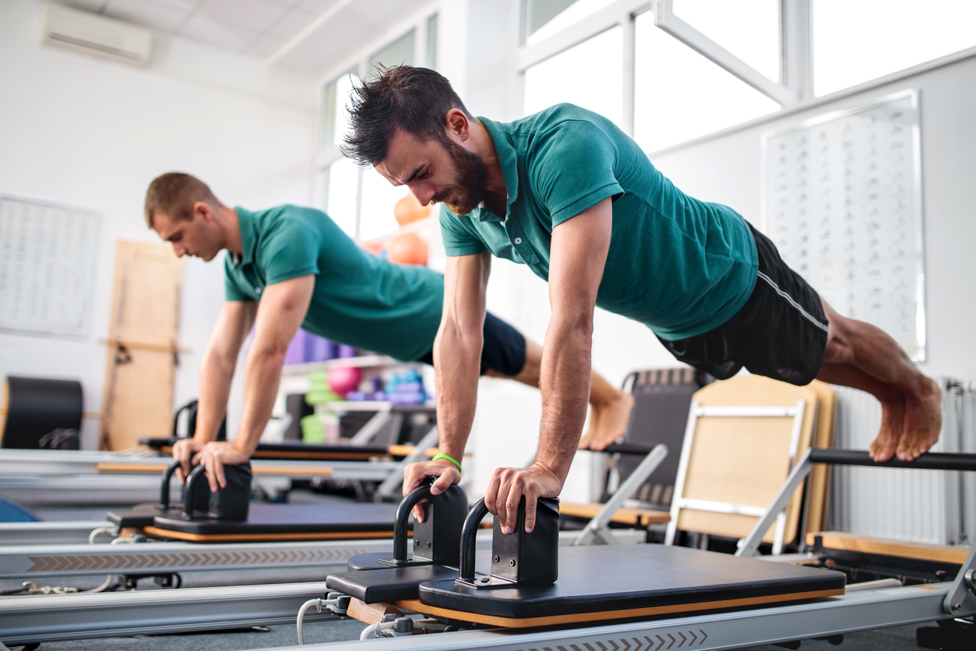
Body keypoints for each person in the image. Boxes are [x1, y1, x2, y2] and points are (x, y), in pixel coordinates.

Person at [341, 65, 943, 536]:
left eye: (421, 173)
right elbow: (458, 334)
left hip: (728, 271)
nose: (421, 198)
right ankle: (891, 392)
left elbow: (571, 320)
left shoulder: (562, 146)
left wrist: (550, 466)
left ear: (456, 124)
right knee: (805, 365)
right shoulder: (462, 209)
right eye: (405, 185)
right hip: (678, 323)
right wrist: (448, 452)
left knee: (830, 337)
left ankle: (916, 388)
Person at [143, 173, 633, 490]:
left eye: (176, 238)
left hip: (424, 309)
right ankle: (601, 400)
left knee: (525, 365)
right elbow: (221, 356)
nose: (178, 251)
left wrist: (240, 447)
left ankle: (610, 399)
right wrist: (204, 439)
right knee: (515, 371)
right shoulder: (238, 266)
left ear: (203, 212)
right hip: (401, 339)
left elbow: (269, 350)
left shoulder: (285, 231)